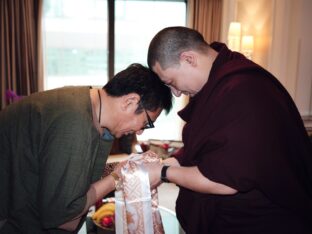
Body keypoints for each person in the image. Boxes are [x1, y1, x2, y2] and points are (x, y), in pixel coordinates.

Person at [145, 26, 312, 233]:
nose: (177, 93)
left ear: (189, 59)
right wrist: (173, 160)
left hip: (262, 221)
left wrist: (164, 172)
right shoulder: (219, 79)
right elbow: (207, 143)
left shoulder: (244, 90)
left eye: (171, 82)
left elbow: (224, 180)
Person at [0, 63, 173, 234]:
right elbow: (63, 218)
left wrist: (122, 169)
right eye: (146, 122)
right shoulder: (73, 121)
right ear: (130, 102)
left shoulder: (91, 110)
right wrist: (115, 177)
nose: (140, 131)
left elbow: (79, 179)